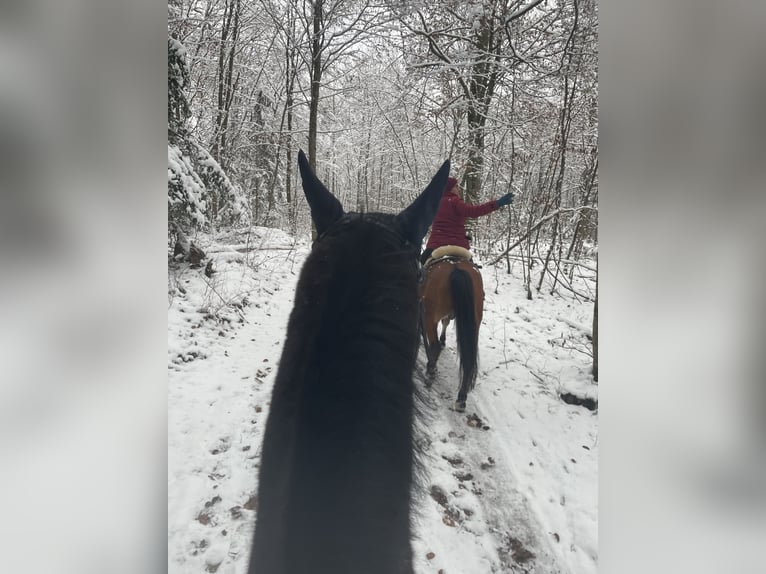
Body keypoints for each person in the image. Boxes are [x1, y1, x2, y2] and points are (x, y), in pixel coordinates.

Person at [420, 176, 513, 265]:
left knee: (420, 266)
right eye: (456, 186)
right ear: (449, 188)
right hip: (458, 244)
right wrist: (497, 204)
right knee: (472, 269)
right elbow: (474, 212)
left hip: (436, 244)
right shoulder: (455, 201)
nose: (458, 189)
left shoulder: (434, 204)